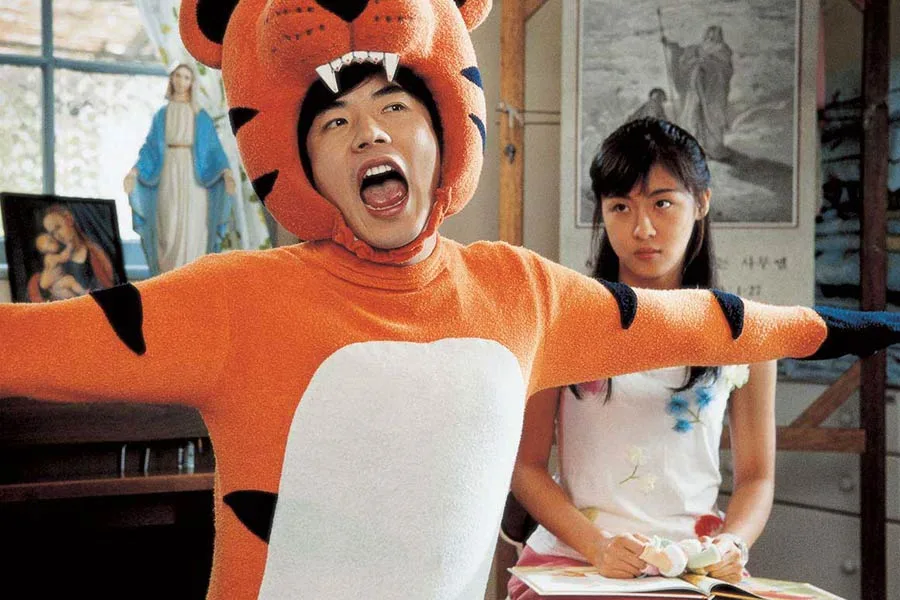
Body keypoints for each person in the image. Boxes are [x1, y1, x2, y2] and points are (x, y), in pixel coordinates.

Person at [1, 2, 898, 598]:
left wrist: (851, 325)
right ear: (305, 165)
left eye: (395, 109)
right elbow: (30, 343)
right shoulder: (237, 298)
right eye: (335, 124)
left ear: (443, 134)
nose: (369, 134)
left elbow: (701, 321)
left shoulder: (518, 290)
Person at [507, 119, 770, 600]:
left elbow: (757, 476)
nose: (642, 228)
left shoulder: (746, 331)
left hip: (695, 566)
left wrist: (734, 543)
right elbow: (526, 468)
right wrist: (598, 546)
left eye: (662, 203)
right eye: (620, 207)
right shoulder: (563, 322)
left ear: (702, 202)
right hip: (577, 559)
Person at [124, 63, 236, 275]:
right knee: (168, 224)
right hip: (168, 173)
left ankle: (191, 277)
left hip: (195, 179)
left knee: (194, 225)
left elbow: (213, 149)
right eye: (178, 75)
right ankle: (168, 275)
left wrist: (226, 172)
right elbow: (149, 149)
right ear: (171, 79)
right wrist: (134, 171)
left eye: (186, 77)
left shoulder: (200, 116)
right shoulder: (161, 115)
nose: (181, 81)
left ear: (192, 82)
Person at [663, 25, 734, 161]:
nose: (711, 37)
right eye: (709, 34)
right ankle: (696, 147)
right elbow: (684, 53)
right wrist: (673, 47)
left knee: (712, 118)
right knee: (694, 115)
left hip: (713, 93)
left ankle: (714, 148)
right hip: (697, 90)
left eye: (714, 34)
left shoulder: (723, 49)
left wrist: (705, 62)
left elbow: (725, 69)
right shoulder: (699, 48)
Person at [26, 205, 117, 302]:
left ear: (69, 219)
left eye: (58, 227)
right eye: (53, 233)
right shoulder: (58, 257)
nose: (57, 236)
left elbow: (109, 285)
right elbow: (43, 288)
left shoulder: (94, 252)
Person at [34, 233, 87, 300]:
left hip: (58, 284)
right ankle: (84, 293)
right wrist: (69, 246)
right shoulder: (49, 258)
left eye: (53, 239)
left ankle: (82, 295)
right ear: (44, 250)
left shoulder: (53, 255)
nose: (55, 241)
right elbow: (64, 257)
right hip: (56, 286)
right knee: (69, 280)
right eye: (51, 242)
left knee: (72, 295)